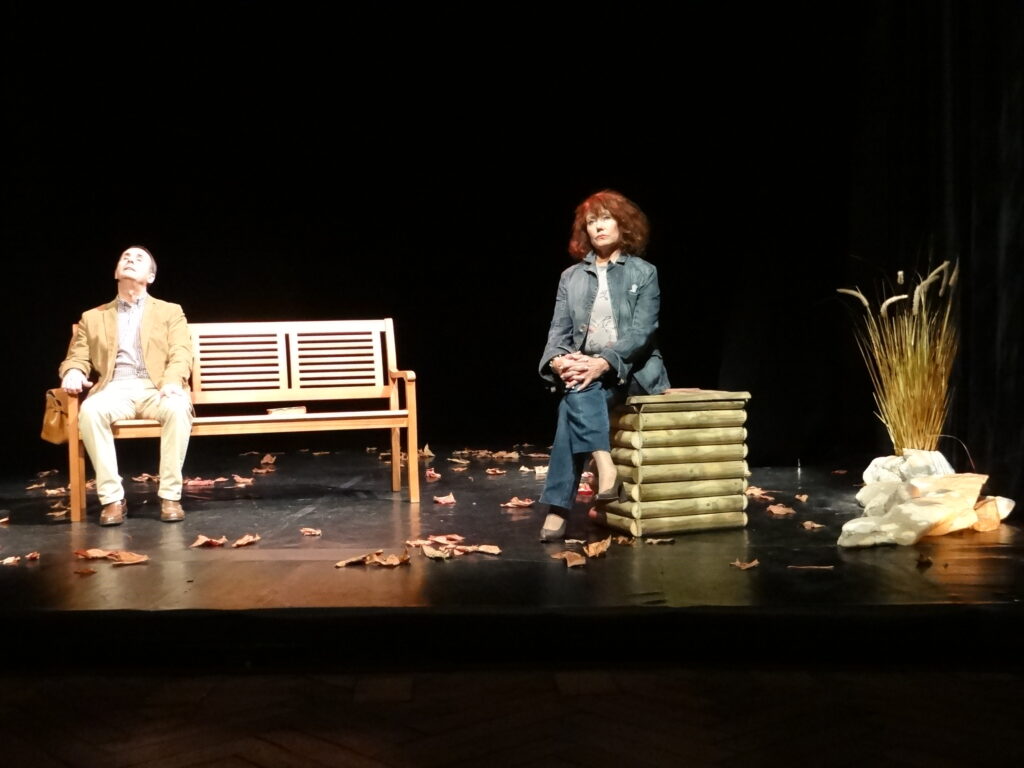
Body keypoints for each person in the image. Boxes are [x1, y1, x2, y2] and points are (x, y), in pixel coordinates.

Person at [537, 190, 670, 540]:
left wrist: (603, 362)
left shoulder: (644, 272)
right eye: (592, 222)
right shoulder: (571, 277)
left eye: (606, 219)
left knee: (575, 395)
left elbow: (643, 332)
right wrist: (558, 361)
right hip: (588, 373)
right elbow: (558, 332)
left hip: (634, 372)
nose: (598, 227)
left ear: (623, 224)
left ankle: (558, 508)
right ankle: (605, 465)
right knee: (579, 386)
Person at [59, 246, 194, 525]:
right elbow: (77, 356)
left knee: (178, 408)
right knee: (91, 411)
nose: (131, 260)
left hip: (156, 388)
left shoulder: (170, 311)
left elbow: (181, 352)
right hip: (114, 389)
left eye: (139, 259)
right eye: (125, 258)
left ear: (151, 277)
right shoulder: (93, 317)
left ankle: (170, 496)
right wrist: (73, 371)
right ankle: (112, 499)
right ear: (116, 272)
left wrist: (172, 381)